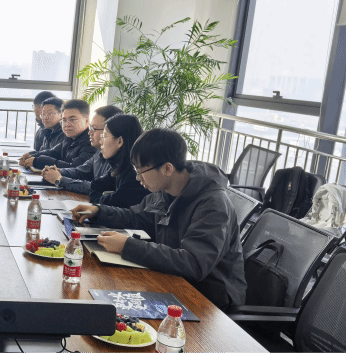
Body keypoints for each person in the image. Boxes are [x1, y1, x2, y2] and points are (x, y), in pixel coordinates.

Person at [71, 128, 247, 310]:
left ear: (167, 168)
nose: (138, 178)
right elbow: (135, 217)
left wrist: (127, 246)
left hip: (210, 298)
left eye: (141, 171)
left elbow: (194, 264)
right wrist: (98, 211)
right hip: (172, 279)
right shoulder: (166, 190)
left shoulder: (213, 203)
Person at [41, 105, 123, 197]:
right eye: (90, 128)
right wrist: (58, 171)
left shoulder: (121, 161)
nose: (89, 132)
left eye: (94, 129)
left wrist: (60, 180)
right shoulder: (99, 153)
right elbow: (81, 171)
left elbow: (97, 189)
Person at [82, 114, 149, 207]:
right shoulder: (120, 166)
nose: (101, 141)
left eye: (104, 136)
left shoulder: (135, 175)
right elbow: (95, 186)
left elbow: (112, 203)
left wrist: (101, 200)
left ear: (119, 141)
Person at [25, 99, 97, 170]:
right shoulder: (69, 138)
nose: (67, 124)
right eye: (64, 120)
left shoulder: (91, 143)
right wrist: (30, 156)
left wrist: (38, 161)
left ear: (86, 120)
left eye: (72, 120)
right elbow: (53, 152)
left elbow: (75, 169)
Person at [20, 97, 64, 168]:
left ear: (61, 115)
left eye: (50, 113)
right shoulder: (47, 131)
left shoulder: (65, 133)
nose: (45, 117)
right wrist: (30, 155)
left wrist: (35, 160)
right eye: (43, 114)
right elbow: (44, 152)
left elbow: (56, 156)